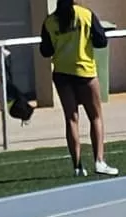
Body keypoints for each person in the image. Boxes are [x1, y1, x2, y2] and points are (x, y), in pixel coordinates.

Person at [39, 0, 117, 177]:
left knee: (71, 119)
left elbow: (45, 51)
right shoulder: (85, 14)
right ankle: (99, 161)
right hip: (85, 72)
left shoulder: (50, 21)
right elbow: (101, 41)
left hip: (61, 74)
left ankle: (77, 166)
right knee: (95, 116)